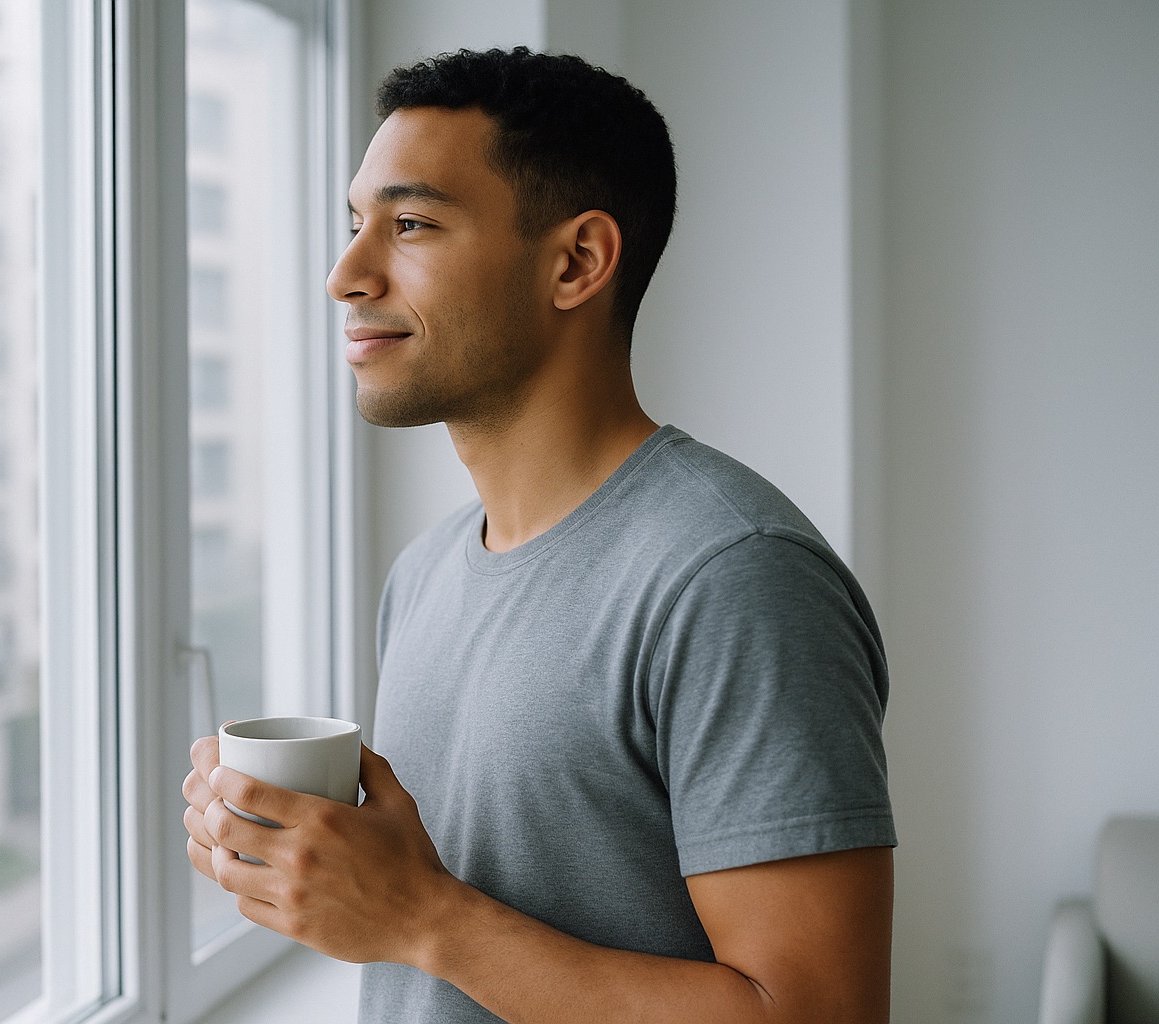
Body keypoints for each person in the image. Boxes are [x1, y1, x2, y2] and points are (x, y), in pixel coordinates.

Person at [183, 46, 895, 1024]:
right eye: (355, 225)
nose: (347, 274)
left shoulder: (735, 577)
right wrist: (318, 870)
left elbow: (814, 1013)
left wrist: (421, 917)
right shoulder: (423, 573)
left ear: (577, 262)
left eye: (411, 224)